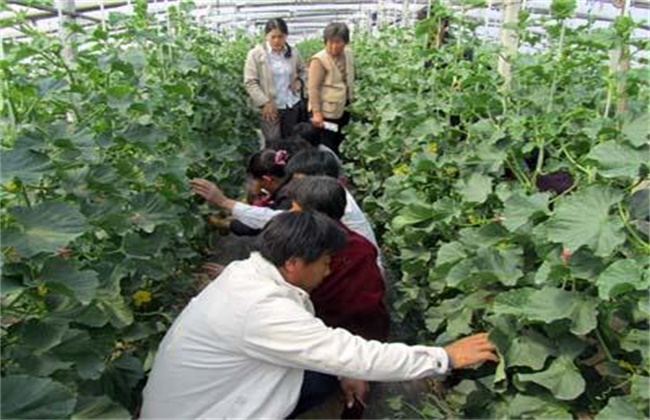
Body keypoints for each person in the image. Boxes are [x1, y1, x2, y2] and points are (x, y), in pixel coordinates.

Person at [141, 212, 498, 419]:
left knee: (329, 370)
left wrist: (344, 368)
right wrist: (445, 357)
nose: (328, 271)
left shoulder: (246, 273)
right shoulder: (261, 309)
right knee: (329, 371)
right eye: (326, 262)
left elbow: (329, 348)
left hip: (186, 404)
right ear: (294, 263)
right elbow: (349, 352)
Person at [286, 176, 389, 417]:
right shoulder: (357, 246)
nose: (289, 212)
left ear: (313, 215)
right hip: (314, 333)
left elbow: (361, 314)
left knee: (297, 390)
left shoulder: (355, 250)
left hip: (344, 341)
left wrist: (351, 366)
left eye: (294, 208)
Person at [191, 149, 377, 250]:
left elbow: (279, 220)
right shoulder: (333, 194)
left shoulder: (323, 202)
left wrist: (224, 203)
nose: (294, 189)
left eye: (299, 183)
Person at [244, 18, 306, 144]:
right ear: (266, 36)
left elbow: (304, 70)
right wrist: (265, 102)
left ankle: (290, 164)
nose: (277, 40)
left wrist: (299, 81)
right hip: (270, 107)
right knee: (273, 142)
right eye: (273, 37)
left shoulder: (293, 53)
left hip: (291, 104)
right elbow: (250, 82)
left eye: (281, 36)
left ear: (286, 36)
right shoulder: (256, 54)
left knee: (292, 141)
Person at [308, 22, 354, 155]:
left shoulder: (348, 55)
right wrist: (317, 113)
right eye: (330, 42)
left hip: (343, 108)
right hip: (326, 112)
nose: (334, 46)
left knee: (340, 141)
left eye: (338, 42)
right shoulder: (319, 60)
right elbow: (313, 88)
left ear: (346, 42)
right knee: (327, 146)